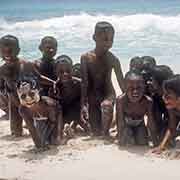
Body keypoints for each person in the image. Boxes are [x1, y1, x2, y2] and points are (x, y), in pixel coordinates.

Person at [80, 21, 125, 136]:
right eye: (105, 39)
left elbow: (121, 83)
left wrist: (127, 100)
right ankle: (109, 122)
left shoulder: (113, 59)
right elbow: (84, 82)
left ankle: (106, 133)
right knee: (95, 130)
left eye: (111, 39)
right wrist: (83, 104)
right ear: (94, 37)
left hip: (108, 94)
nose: (108, 43)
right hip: (92, 97)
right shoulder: (86, 58)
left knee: (106, 106)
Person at [17, 76, 63, 149]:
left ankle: (67, 130)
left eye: (31, 94)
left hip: (56, 116)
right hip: (41, 119)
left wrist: (57, 135)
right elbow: (32, 129)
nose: (28, 98)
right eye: (23, 96)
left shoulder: (48, 105)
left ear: (38, 91)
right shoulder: (23, 110)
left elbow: (54, 122)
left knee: (55, 141)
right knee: (42, 142)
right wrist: (39, 145)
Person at [116, 71, 158, 146]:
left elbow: (150, 122)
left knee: (142, 143)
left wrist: (155, 142)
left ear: (144, 87)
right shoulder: (121, 100)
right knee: (127, 142)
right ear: (125, 88)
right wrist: (120, 138)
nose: (135, 91)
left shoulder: (148, 101)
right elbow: (120, 121)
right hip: (126, 124)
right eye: (131, 88)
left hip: (140, 124)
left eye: (139, 88)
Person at [49, 55, 89, 133]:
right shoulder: (55, 87)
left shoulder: (79, 83)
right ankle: (69, 126)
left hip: (78, 111)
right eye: (61, 72)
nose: (65, 74)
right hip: (64, 113)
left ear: (72, 70)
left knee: (90, 129)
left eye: (68, 71)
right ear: (55, 72)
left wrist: (84, 109)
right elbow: (54, 107)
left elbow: (85, 101)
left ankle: (74, 125)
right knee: (57, 130)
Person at [152, 75, 180, 154]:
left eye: (168, 96)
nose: (164, 98)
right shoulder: (171, 106)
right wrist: (161, 146)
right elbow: (171, 127)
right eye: (164, 94)